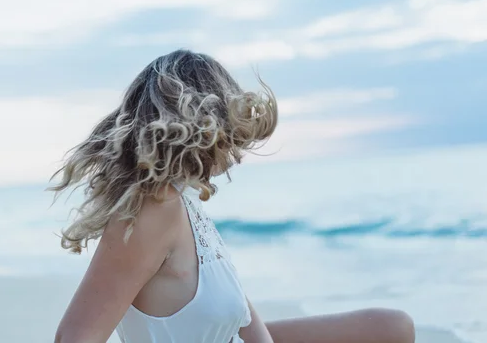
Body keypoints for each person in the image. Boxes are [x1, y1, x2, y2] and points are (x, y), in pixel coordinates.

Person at [51, 49, 416, 343]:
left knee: (390, 327)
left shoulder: (183, 203)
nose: (237, 148)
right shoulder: (153, 211)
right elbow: (74, 337)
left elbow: (241, 308)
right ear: (205, 122)